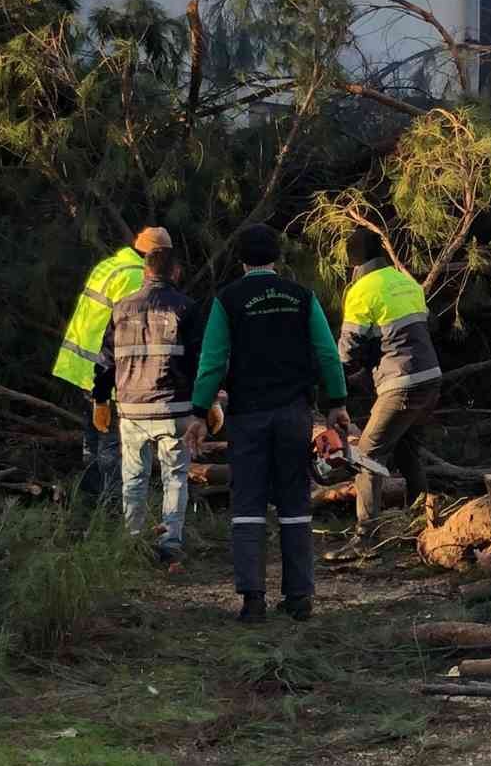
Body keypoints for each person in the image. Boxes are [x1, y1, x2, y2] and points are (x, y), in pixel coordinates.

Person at [185, 223, 349, 624]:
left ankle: (252, 600)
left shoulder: (228, 300)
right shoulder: (301, 296)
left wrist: (198, 413)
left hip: (248, 416)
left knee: (248, 505)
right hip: (294, 413)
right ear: (276, 256)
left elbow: (212, 363)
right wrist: (336, 404)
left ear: (241, 258)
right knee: (295, 503)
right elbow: (327, 354)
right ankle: (299, 598)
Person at [92, 246, 205, 564]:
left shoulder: (121, 308)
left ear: (145, 272)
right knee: (175, 476)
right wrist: (207, 403)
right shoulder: (187, 308)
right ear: (176, 272)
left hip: (131, 409)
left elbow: (106, 361)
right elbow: (199, 360)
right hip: (174, 408)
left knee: (134, 477)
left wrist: (101, 399)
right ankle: (170, 544)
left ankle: (133, 542)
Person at [336, 227, 442, 555]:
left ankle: (365, 539)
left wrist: (331, 382)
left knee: (366, 456)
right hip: (430, 377)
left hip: (402, 383)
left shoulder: (361, 290)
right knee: (407, 450)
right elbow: (407, 333)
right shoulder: (404, 281)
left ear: (354, 262)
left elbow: (348, 351)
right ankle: (423, 526)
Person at [52, 227, 173, 499]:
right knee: (111, 445)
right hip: (108, 373)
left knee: (93, 439)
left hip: (82, 367)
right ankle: (111, 509)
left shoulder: (110, 266)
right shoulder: (135, 276)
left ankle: (87, 500)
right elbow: (136, 331)